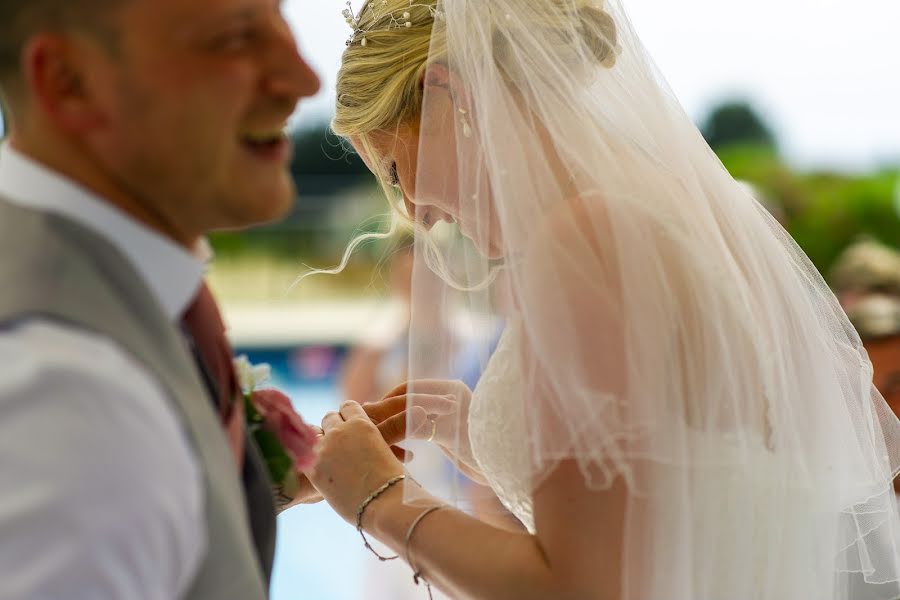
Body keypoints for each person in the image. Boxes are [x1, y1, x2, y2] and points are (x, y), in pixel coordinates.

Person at [302, 1, 900, 599]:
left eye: (398, 173)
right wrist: (477, 433)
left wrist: (376, 498)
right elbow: (677, 497)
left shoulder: (582, 242)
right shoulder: (667, 215)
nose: (415, 215)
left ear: (449, 96)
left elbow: (578, 588)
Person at [0, 1, 323, 598]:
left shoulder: (105, 303)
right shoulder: (68, 395)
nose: (304, 79)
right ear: (68, 83)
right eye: (234, 37)